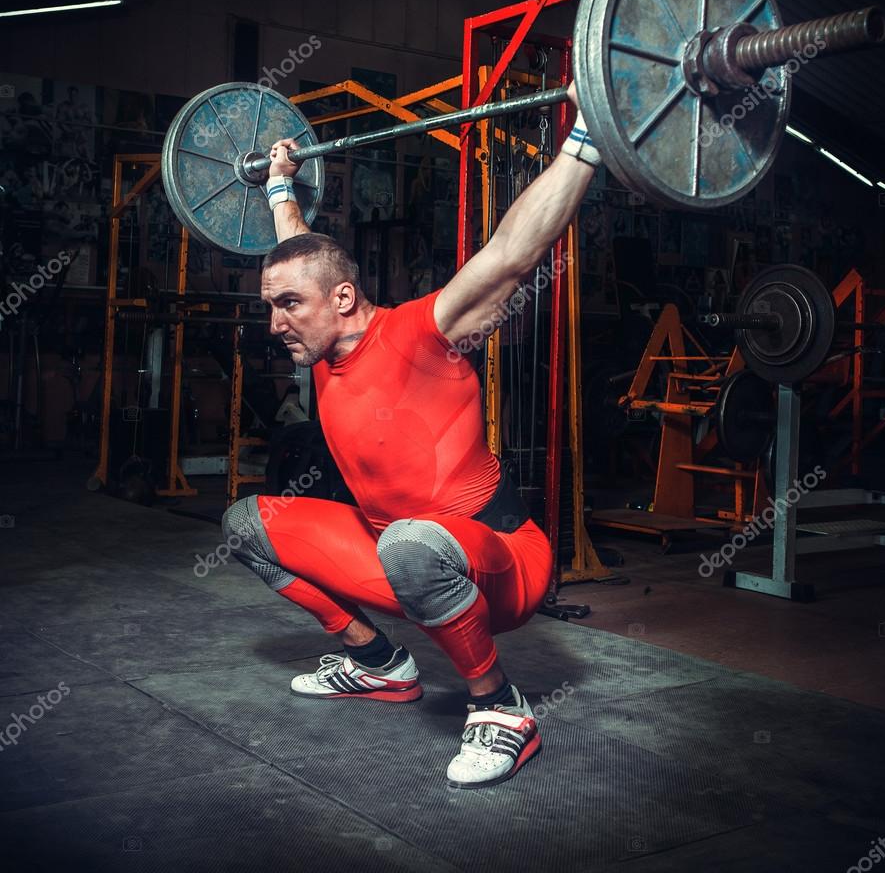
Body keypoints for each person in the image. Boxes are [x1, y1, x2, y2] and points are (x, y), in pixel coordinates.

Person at [222, 81, 602, 788]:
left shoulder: (425, 331)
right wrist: (279, 185)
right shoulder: (321, 327)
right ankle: (378, 666)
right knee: (246, 522)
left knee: (410, 542)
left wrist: (588, 134)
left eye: (287, 306)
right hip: (397, 552)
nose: (276, 323)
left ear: (341, 299)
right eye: (271, 306)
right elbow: (300, 253)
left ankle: (502, 707)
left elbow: (513, 253)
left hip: (501, 564)